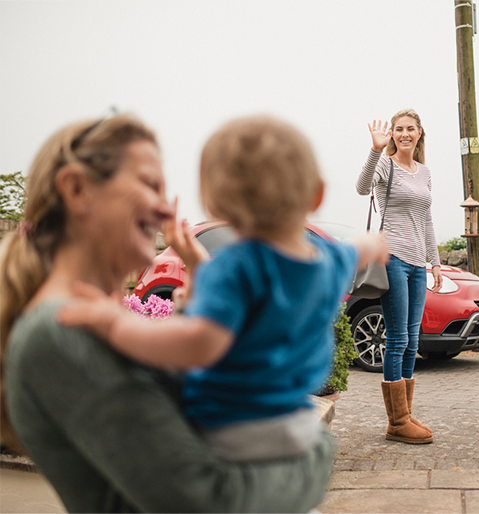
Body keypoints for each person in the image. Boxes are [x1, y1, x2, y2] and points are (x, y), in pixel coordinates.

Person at [0, 113, 357, 513]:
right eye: (150, 184)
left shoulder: (88, 321)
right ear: (78, 188)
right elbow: (208, 502)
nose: (163, 207)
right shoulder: (58, 332)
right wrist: (318, 451)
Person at [59, 114, 389, 465]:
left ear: (212, 203)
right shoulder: (328, 259)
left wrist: (116, 324)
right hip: (294, 425)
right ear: (317, 194)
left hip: (230, 429)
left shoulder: (230, 268)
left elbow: (199, 342)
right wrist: (374, 243)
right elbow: (360, 249)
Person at [355, 108, 442, 445]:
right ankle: (397, 422)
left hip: (418, 264)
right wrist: (376, 149)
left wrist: (434, 262)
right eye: (398, 129)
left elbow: (428, 220)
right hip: (392, 258)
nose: (404, 134)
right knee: (398, 340)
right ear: (392, 134)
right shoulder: (385, 165)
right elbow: (362, 188)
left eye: (410, 128)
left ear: (420, 133)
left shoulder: (424, 172)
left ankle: (404, 413)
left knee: (413, 340)